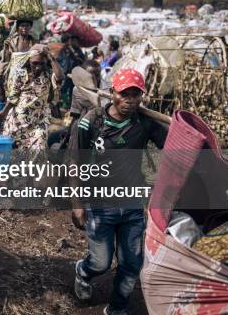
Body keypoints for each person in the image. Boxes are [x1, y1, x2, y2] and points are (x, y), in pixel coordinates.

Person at [70, 68, 168, 315]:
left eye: (136, 95)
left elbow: (171, 145)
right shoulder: (91, 121)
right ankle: (83, 271)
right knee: (101, 262)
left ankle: (117, 309)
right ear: (112, 93)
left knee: (131, 264)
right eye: (125, 94)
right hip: (100, 206)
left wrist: (184, 130)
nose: (130, 100)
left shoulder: (144, 123)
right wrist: (77, 203)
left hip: (133, 206)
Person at [0, 44, 64, 151]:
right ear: (28, 60)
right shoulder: (21, 74)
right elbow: (13, 97)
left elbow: (60, 77)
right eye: (35, 63)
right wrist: (4, 112)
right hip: (19, 121)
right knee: (14, 151)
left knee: (39, 148)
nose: (38, 67)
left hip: (39, 120)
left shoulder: (48, 74)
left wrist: (50, 57)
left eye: (42, 64)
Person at [0, 19, 36, 88]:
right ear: (18, 27)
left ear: (30, 27)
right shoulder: (11, 42)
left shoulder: (34, 42)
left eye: (27, 26)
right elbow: (6, 61)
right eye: (22, 26)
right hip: (13, 73)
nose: (24, 28)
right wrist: (6, 48)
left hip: (29, 73)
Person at [57, 34, 86, 109]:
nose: (72, 42)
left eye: (74, 41)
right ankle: (65, 103)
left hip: (75, 72)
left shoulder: (77, 50)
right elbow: (60, 60)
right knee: (64, 88)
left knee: (72, 89)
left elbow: (82, 59)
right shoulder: (63, 49)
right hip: (66, 72)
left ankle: (70, 104)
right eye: (71, 40)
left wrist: (75, 55)